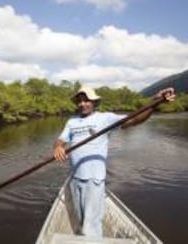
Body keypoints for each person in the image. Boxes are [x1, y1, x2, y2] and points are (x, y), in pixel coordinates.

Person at [53, 85, 175, 237]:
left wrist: (155, 101)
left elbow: (135, 119)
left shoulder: (105, 118)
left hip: (93, 179)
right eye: (79, 101)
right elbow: (61, 139)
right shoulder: (72, 122)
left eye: (86, 100)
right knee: (80, 220)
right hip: (74, 178)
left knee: (91, 226)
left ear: (95, 102)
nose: (82, 104)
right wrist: (58, 147)